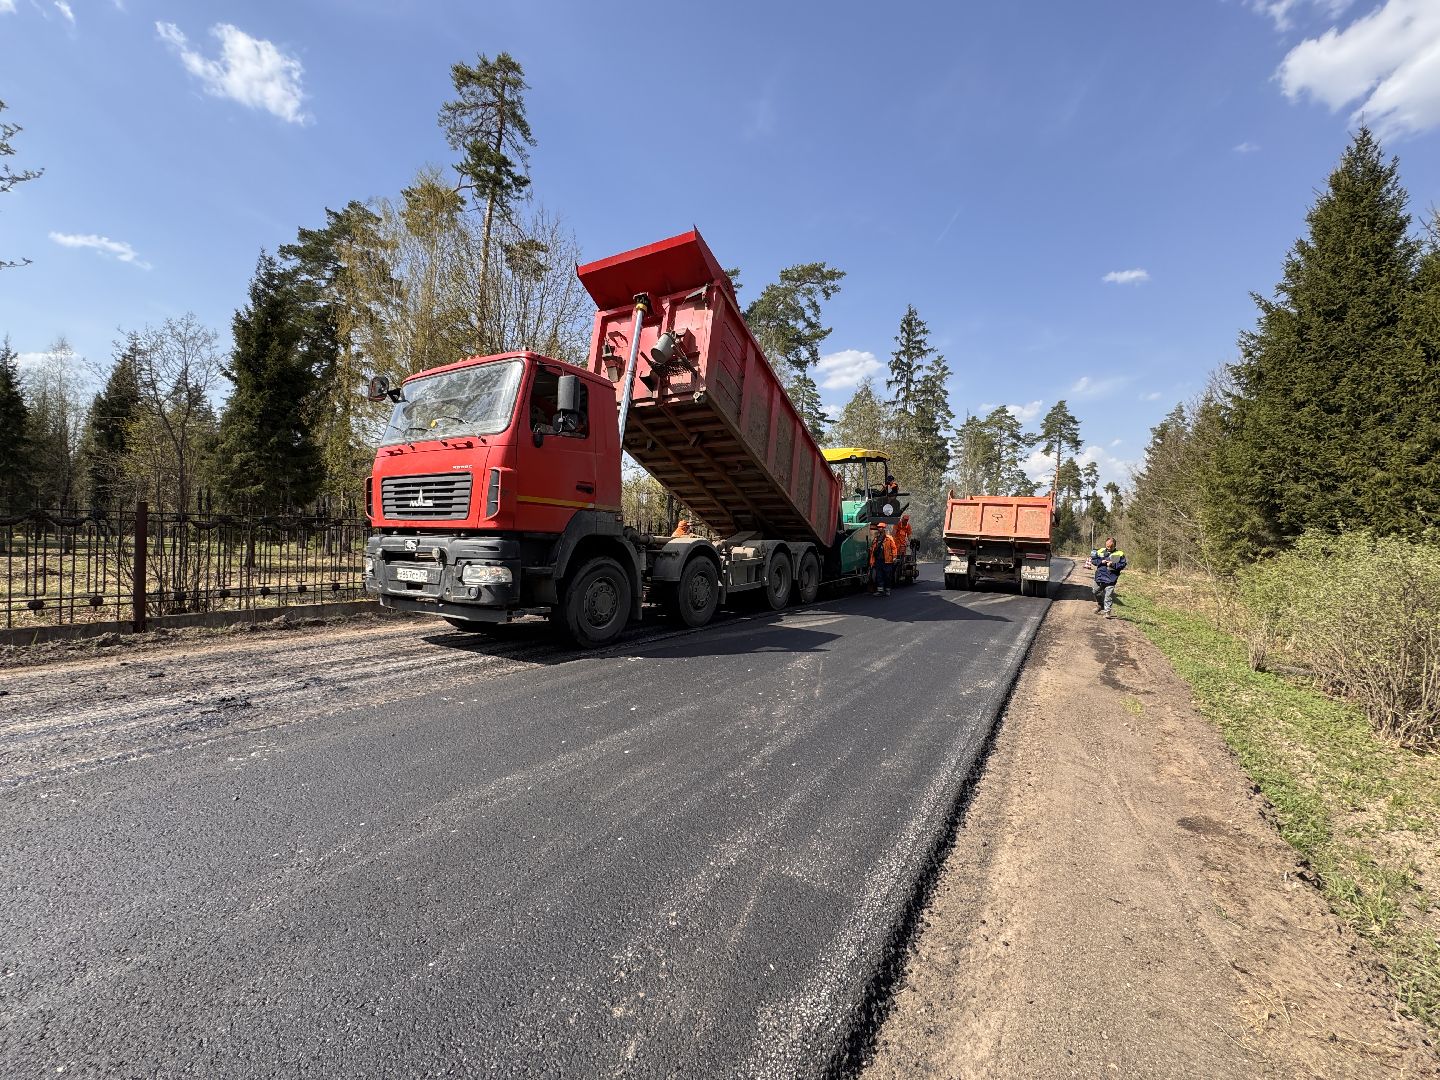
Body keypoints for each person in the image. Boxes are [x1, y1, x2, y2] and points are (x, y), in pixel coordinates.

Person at [1090, 536, 1127, 618]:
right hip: (1099, 576)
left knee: (1108, 595)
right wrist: (1100, 561)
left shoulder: (1120, 554)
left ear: (1115, 545)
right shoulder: (1100, 551)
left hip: (1111, 578)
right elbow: (1093, 560)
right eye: (1107, 546)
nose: (1109, 548)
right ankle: (1100, 605)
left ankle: (1107, 612)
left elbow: (1123, 565)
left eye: (1111, 546)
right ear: (1105, 545)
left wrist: (1112, 564)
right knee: (1095, 591)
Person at [870, 521, 897, 596]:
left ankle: (887, 590)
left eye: (881, 527)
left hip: (887, 561)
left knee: (887, 576)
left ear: (884, 528)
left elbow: (894, 548)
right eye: (878, 527)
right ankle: (880, 591)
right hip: (878, 560)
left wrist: (894, 557)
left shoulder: (889, 538)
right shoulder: (876, 539)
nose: (879, 528)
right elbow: (873, 550)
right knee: (879, 576)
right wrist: (872, 561)